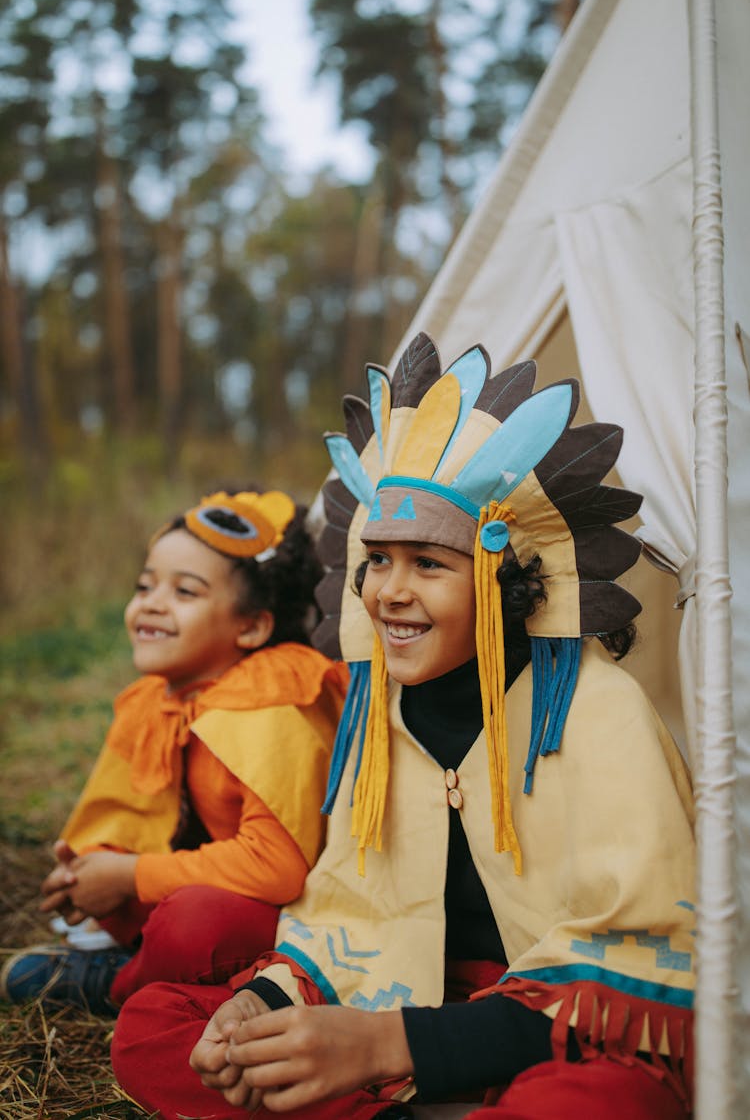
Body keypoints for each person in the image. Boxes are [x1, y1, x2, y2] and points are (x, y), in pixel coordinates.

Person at [110, 334, 695, 1119]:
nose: (388, 590)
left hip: (538, 1023)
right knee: (154, 1028)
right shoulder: (375, 716)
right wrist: (260, 999)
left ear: (504, 580)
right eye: (378, 559)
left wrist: (393, 1045)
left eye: (428, 562)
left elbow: (642, 972)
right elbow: (344, 906)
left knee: (598, 1097)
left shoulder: (598, 711)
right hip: (399, 985)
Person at [1, 488, 348, 1016]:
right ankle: (152, 959)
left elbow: (278, 869)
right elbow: (144, 814)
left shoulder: (274, 704)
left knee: (196, 921)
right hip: (227, 889)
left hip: (300, 919)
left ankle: (120, 984)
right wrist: (92, 872)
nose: (151, 603)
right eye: (145, 585)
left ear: (251, 626)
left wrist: (126, 876)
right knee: (169, 900)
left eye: (185, 592)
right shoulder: (170, 699)